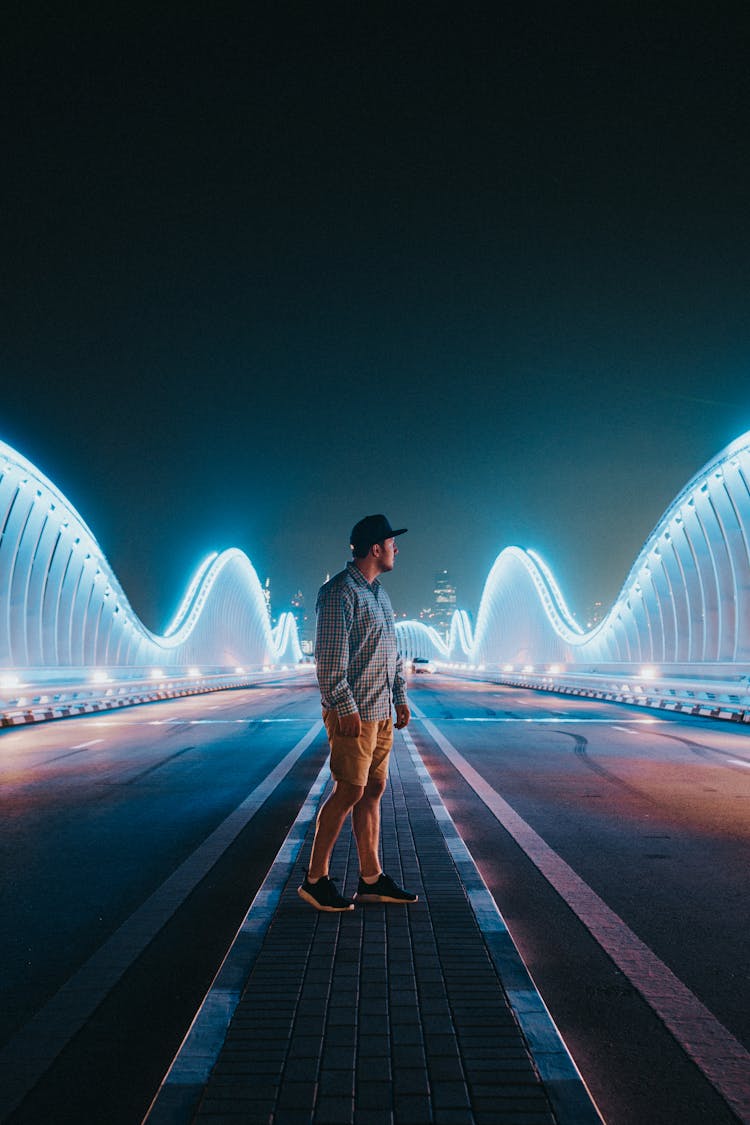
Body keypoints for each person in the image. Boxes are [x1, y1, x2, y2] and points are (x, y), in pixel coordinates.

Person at [298, 514, 418, 912]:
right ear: (375, 549)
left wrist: (399, 697)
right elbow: (330, 659)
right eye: (391, 542)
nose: (396, 548)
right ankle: (316, 880)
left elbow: (390, 654)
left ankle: (371, 879)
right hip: (356, 713)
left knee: (372, 791)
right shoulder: (340, 593)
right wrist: (343, 705)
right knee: (349, 789)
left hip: (381, 710)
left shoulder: (379, 594)